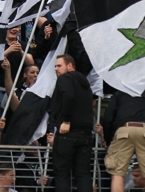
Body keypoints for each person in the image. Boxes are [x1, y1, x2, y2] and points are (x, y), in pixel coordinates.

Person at [47, 54, 93, 192]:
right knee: (83, 173)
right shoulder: (85, 84)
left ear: (70, 66)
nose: (56, 69)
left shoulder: (65, 79)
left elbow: (68, 96)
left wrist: (66, 120)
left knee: (62, 174)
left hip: (67, 134)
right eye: (55, 66)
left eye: (59, 65)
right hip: (86, 134)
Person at [102, 92, 145, 192]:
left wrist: (109, 140)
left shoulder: (119, 93)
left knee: (117, 173)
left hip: (124, 129)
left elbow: (108, 117)